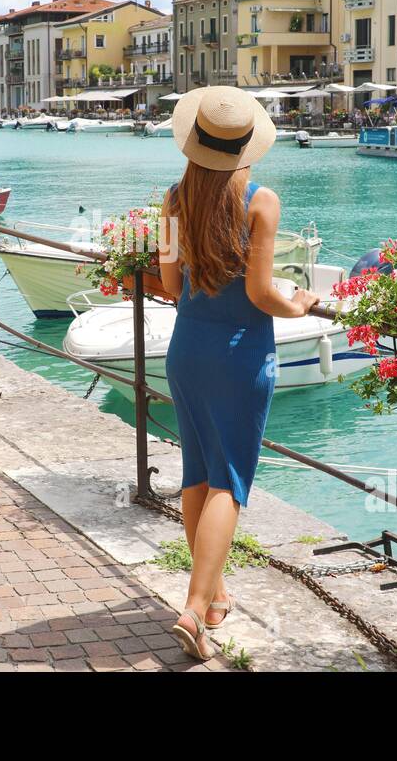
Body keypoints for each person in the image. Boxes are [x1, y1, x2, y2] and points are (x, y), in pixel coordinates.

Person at [157, 86, 322, 661]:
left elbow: (171, 285)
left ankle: (214, 592)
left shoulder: (173, 200)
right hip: (239, 355)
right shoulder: (261, 202)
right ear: (247, 145)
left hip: (185, 351)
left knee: (197, 474)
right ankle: (194, 609)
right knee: (229, 481)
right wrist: (298, 305)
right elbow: (259, 294)